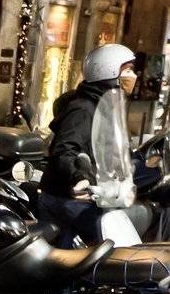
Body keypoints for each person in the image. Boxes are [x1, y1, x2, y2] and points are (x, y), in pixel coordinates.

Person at [39, 43, 138, 248]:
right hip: (67, 196)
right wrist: (80, 176)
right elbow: (65, 150)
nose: (132, 76)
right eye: (126, 70)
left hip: (91, 196)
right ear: (108, 71)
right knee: (108, 241)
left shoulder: (106, 106)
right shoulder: (83, 109)